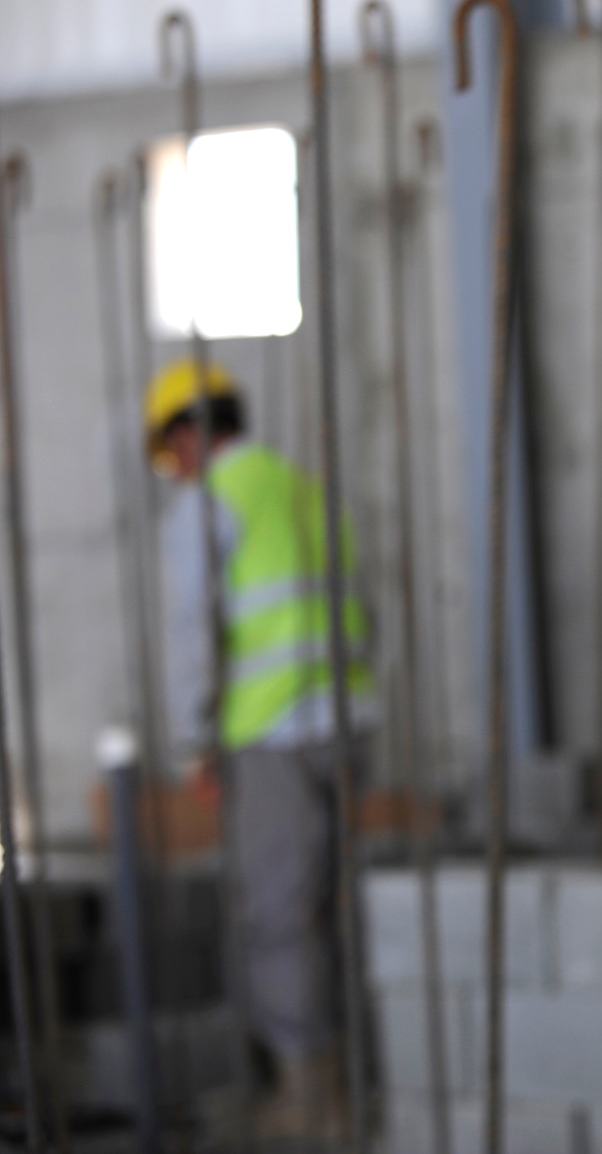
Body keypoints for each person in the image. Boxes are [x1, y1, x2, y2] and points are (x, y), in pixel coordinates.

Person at [146, 357, 375, 1140]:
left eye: (169, 450)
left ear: (185, 434)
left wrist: (192, 741)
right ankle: (349, 1081)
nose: (172, 469)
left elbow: (191, 637)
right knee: (335, 909)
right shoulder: (304, 489)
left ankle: (313, 1097)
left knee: (280, 918)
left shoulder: (207, 503)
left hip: (270, 732)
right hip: (346, 723)